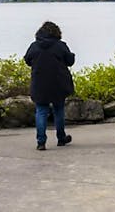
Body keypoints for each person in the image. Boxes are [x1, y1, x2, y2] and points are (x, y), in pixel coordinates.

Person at [24, 21, 75, 151]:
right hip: (58, 84)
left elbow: (27, 61)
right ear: (57, 33)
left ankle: (41, 142)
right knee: (59, 110)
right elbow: (70, 61)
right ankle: (61, 138)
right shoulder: (60, 46)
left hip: (40, 84)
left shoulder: (34, 46)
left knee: (41, 111)